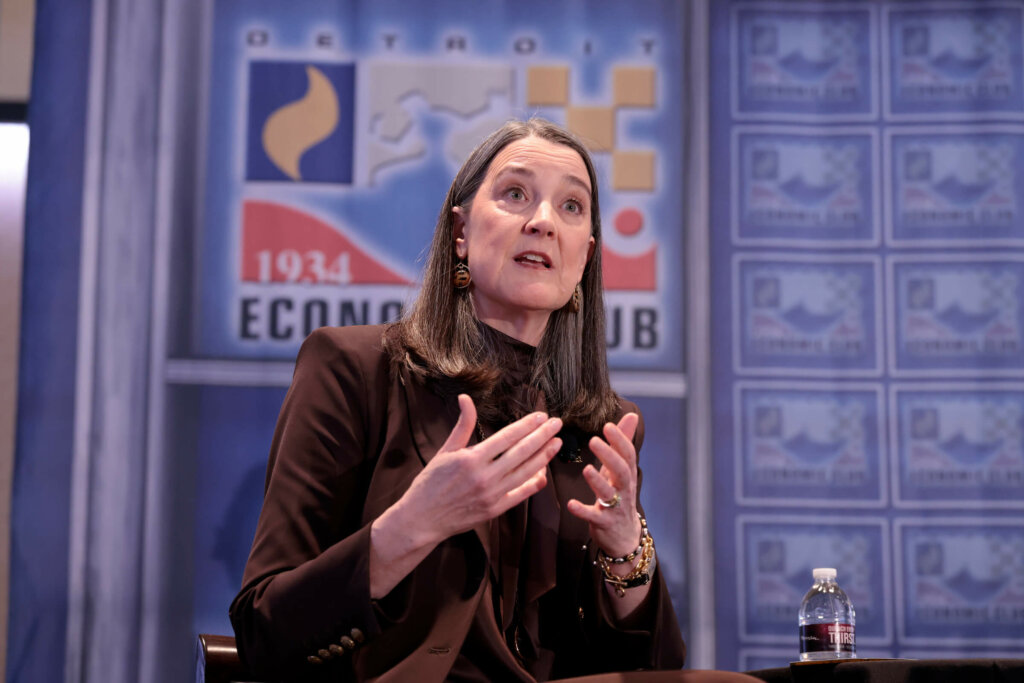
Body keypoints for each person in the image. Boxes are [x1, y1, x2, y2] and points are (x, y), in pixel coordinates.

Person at [230, 118, 686, 681]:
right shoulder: (355, 371)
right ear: (460, 231)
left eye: (572, 206)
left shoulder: (605, 428)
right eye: (515, 194)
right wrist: (415, 524)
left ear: (585, 257)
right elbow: (264, 632)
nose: (543, 222)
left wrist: (625, 549)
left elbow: (657, 669)